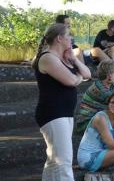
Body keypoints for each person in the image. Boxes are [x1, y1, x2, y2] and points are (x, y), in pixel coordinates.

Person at [34, 23, 92, 180]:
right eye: (68, 35)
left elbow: (87, 73)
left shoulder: (64, 57)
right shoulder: (47, 58)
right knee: (63, 160)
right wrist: (78, 76)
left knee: (55, 160)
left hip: (64, 113)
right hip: (53, 113)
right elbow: (72, 81)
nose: (71, 38)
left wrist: (73, 59)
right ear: (59, 38)